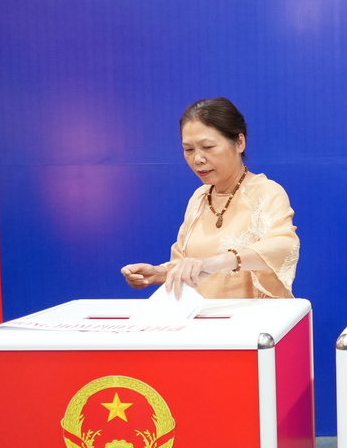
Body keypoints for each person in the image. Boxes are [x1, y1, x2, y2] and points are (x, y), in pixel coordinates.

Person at [121, 97, 300, 298]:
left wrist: (218, 261)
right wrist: (160, 273)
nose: (197, 159)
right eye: (188, 149)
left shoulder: (266, 192)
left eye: (208, 147)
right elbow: (185, 260)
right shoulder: (199, 198)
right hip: (204, 320)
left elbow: (283, 246)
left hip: (253, 321)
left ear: (239, 142)